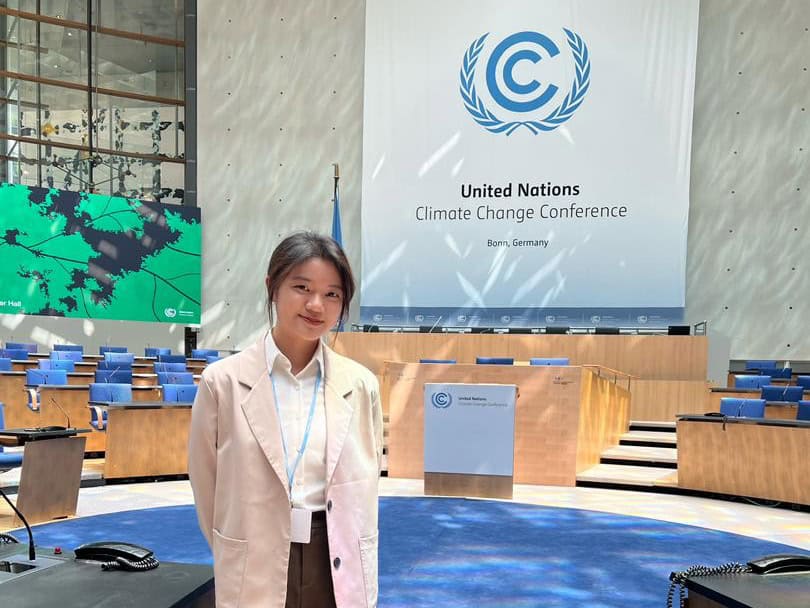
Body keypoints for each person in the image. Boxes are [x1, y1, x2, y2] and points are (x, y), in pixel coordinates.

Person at [189, 231, 383, 608]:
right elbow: (206, 484)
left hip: (335, 554)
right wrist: (237, 545)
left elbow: (368, 477)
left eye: (332, 294)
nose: (316, 305)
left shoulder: (360, 385)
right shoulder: (223, 382)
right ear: (272, 286)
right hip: (255, 553)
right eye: (302, 287)